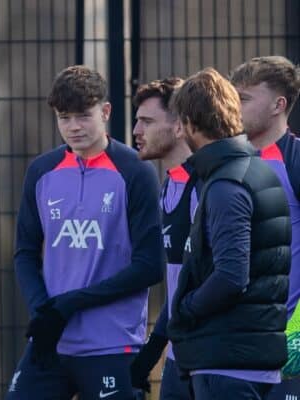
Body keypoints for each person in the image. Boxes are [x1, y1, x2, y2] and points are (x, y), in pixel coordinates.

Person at [5, 65, 163, 400]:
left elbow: (150, 266)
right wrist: (43, 312)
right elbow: (25, 252)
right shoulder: (42, 171)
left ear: (105, 112)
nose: (73, 127)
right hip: (51, 341)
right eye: (64, 118)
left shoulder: (135, 171)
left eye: (82, 116)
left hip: (112, 344)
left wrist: (69, 305)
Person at [167, 67, 290, 400]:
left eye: (180, 121)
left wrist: (184, 309)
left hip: (226, 364)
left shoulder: (226, 184)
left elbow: (232, 276)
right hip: (249, 358)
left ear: (191, 123)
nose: (178, 130)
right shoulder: (257, 170)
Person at [230, 56, 300, 400]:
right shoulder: (227, 161)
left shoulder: (296, 160)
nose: (234, 106)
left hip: (287, 340)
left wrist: (298, 329)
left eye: (244, 98)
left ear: (278, 105)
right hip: (232, 342)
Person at [129, 77, 195, 400]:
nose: (136, 131)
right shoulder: (169, 187)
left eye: (147, 121)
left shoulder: (208, 188)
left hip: (210, 362)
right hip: (176, 360)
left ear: (180, 125)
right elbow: (178, 284)